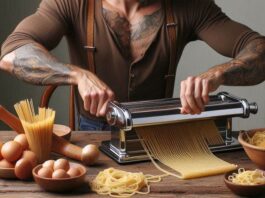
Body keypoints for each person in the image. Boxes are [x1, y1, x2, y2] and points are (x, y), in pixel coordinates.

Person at [0, 0, 265, 130]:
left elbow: (259, 49)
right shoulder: (72, 2)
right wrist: (76, 75)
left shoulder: (188, 5)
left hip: (157, 133)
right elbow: (12, 53)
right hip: (93, 133)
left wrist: (217, 74)